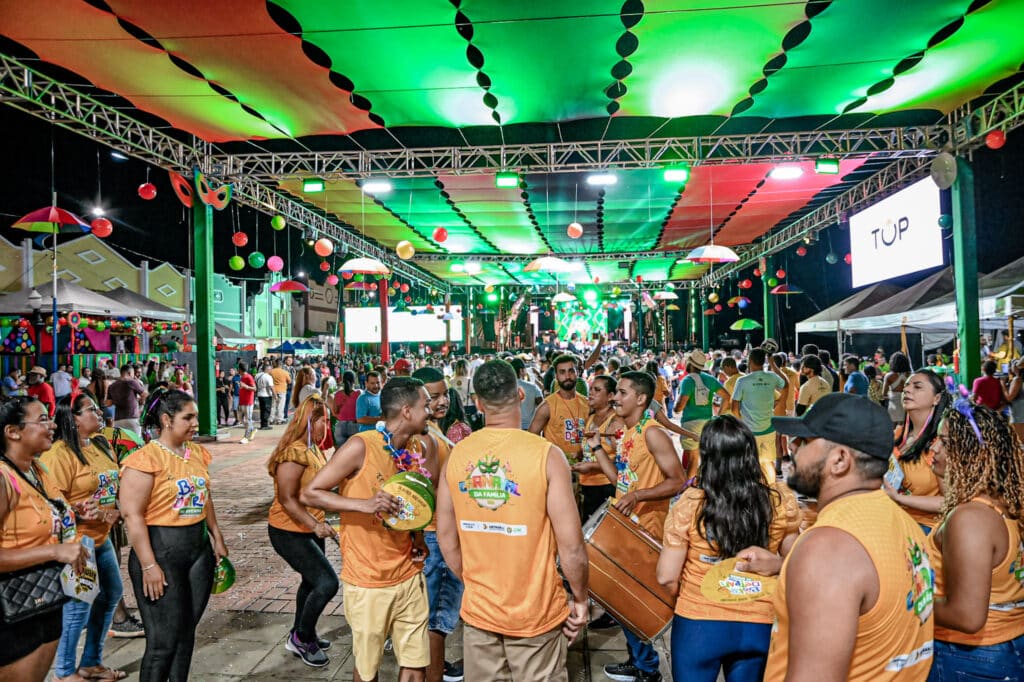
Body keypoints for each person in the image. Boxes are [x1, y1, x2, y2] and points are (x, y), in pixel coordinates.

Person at [758, 393, 935, 681]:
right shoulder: (904, 524)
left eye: (805, 441)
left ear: (839, 460)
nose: (792, 447)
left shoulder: (829, 548)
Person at [435, 360, 588, 681]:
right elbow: (572, 547)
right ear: (520, 395)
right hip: (536, 613)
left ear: (476, 402)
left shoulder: (459, 455)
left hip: (480, 613)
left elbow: (446, 537)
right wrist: (581, 599)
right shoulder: (547, 456)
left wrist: (475, 581)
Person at [301, 377, 434, 682]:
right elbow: (312, 492)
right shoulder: (361, 446)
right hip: (368, 581)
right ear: (406, 411)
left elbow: (408, 504)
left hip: (409, 574)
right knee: (367, 668)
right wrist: (365, 504)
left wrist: (416, 537)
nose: (431, 411)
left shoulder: (415, 448)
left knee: (416, 665)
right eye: (425, 405)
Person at [656, 416, 801, 682]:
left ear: (707, 457)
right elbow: (799, 562)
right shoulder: (780, 501)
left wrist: (686, 596)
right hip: (759, 622)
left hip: (698, 623)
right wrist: (777, 565)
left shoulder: (691, 504)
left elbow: (667, 576)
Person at [118, 389, 229, 682]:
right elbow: (133, 516)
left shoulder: (197, 454)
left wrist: (216, 536)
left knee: (186, 634)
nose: (196, 423)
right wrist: (148, 566)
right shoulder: (143, 460)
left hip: (197, 551)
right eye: (188, 417)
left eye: (196, 417)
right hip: (161, 553)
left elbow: (204, 496)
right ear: (167, 419)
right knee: (162, 643)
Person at [590, 370, 687, 682]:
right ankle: (639, 662)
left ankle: (648, 669)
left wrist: (639, 495)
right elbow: (622, 482)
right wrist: (595, 448)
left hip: (647, 530)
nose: (615, 398)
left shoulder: (653, 433)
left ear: (641, 399)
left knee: (636, 600)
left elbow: (678, 480)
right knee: (622, 598)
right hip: (625, 527)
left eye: (621, 392)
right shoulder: (629, 433)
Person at [926, 402, 1024, 680]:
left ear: (972, 452)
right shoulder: (1000, 503)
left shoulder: (971, 519)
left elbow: (967, 616)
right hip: (999, 648)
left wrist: (905, 603)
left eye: (944, 442)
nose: (934, 449)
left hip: (970, 657)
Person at [0, 397, 90, 682]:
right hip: (12, 606)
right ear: (13, 431)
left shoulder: (37, 470)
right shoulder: (3, 478)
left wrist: (74, 512)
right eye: (41, 420)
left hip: (46, 597)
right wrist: (55, 552)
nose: (52, 425)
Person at [42, 395, 125, 682]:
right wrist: (83, 512)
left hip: (101, 538)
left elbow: (113, 486)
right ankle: (64, 672)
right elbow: (51, 501)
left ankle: (91, 662)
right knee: (79, 605)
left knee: (111, 593)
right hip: (78, 542)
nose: (99, 412)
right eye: (91, 409)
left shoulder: (100, 444)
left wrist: (111, 512)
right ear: (74, 418)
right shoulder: (59, 454)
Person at [267, 395, 339, 668]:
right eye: (323, 421)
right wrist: (316, 525)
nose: (326, 426)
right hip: (288, 531)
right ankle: (302, 637)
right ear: (309, 422)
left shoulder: (313, 449)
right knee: (327, 583)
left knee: (311, 581)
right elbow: (287, 499)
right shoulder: (293, 453)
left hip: (307, 527)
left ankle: (300, 632)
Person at [411, 367, 465, 682]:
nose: (442, 400)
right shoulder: (426, 437)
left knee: (434, 618)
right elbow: (426, 492)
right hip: (436, 536)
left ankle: (436, 669)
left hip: (435, 535)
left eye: (445, 393)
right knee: (437, 621)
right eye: (433, 395)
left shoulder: (434, 431)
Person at [885, 370, 949, 534]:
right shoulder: (897, 436)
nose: (907, 390)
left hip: (926, 528)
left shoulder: (940, 444)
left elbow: (949, 500)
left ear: (936, 398)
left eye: (917, 387)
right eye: (906, 386)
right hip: (895, 519)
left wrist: (900, 498)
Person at [571, 374, 623, 521]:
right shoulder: (592, 417)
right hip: (589, 485)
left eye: (597, 390)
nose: (591, 392)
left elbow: (623, 463)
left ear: (610, 396)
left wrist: (592, 466)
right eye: (591, 388)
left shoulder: (615, 423)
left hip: (605, 486)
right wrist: (580, 453)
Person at [731, 348, 787, 484]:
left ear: (750, 361)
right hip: (768, 428)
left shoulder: (742, 381)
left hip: (749, 430)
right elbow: (786, 385)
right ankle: (771, 491)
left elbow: (734, 408)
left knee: (749, 463)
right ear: (765, 361)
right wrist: (773, 365)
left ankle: (752, 494)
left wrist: (740, 424)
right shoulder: (772, 377)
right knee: (768, 463)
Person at [674, 350, 730, 480]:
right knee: (707, 457)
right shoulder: (710, 379)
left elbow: (680, 406)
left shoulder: (687, 381)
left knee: (693, 459)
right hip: (707, 422)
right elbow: (727, 396)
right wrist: (720, 413)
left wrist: (677, 409)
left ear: (691, 364)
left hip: (690, 424)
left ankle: (688, 489)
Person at [529, 354, 591, 465]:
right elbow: (531, 438)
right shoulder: (547, 406)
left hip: (585, 468)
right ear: (556, 376)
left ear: (577, 373)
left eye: (571, 371)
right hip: (557, 467)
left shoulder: (587, 403)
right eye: (562, 372)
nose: (567, 376)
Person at [107, 365, 147, 434]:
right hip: (132, 417)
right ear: (129, 373)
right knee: (137, 442)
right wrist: (141, 401)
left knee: (122, 443)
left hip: (118, 420)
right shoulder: (131, 382)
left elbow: (108, 403)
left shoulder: (111, 386)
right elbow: (144, 394)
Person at [332, 370, 362, 448]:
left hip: (340, 425)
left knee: (342, 453)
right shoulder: (359, 393)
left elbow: (334, 412)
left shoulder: (338, 394)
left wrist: (342, 417)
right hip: (355, 424)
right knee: (355, 452)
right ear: (354, 380)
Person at [512, 358, 543, 430]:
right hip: (530, 428)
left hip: (512, 429)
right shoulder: (532, 387)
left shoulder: (503, 388)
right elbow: (542, 406)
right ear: (521, 370)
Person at [884, 351, 913, 426]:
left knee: (893, 429)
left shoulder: (889, 376)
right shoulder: (911, 375)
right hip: (907, 402)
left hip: (894, 404)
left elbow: (883, 394)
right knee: (906, 427)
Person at [1005, 358, 1024, 440]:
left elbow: (1009, 397)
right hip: (1019, 409)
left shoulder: (1017, 379)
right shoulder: (1017, 379)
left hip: (1018, 410)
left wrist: (1002, 385)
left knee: (1021, 438)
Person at [237, 362, 256, 442]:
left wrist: (246, 386)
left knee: (248, 419)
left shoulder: (249, 377)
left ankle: (246, 437)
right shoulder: (242, 377)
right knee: (240, 418)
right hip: (242, 401)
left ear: (239, 370)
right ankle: (252, 429)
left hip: (248, 402)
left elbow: (254, 388)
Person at [270, 359, 292, 425]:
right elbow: (289, 381)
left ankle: (271, 419)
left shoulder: (271, 372)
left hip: (273, 390)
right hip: (282, 390)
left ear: (276, 364)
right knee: (281, 406)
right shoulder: (285, 372)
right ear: (281, 365)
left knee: (273, 406)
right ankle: (279, 419)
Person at [255, 363, 275, 430]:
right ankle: (265, 425)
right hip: (266, 395)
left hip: (259, 394)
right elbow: (271, 387)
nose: (271, 370)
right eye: (270, 369)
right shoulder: (268, 377)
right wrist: (275, 395)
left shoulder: (257, 375)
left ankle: (262, 424)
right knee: (267, 410)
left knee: (262, 410)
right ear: (267, 369)